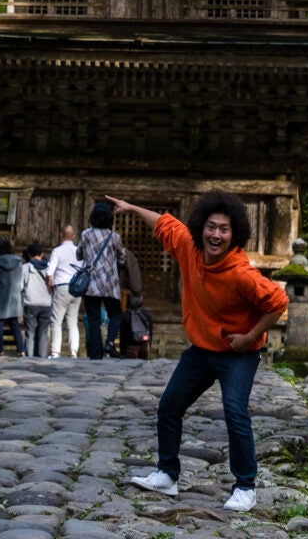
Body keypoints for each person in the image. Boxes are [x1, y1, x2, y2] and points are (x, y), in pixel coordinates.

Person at [107, 190, 289, 514]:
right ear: (201, 227)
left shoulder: (241, 273)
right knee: (169, 405)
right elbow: (164, 222)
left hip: (238, 354)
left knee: (235, 412)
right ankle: (167, 474)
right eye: (210, 226)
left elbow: (278, 303)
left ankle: (245, 487)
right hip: (202, 351)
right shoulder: (189, 247)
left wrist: (249, 338)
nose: (215, 234)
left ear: (234, 234)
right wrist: (131, 206)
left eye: (223, 229)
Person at [78, 200, 126, 360]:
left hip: (91, 283)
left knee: (93, 318)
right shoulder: (114, 237)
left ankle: (95, 353)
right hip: (110, 283)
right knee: (116, 314)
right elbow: (122, 258)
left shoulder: (86, 234)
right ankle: (110, 342)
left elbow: (79, 254)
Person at [0, 235, 26, 356]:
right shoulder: (18, 262)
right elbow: (20, 278)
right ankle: (21, 350)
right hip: (14, 295)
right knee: (14, 323)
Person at [47, 223, 82, 358]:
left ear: (61, 235)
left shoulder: (57, 251)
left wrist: (49, 286)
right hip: (76, 288)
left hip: (62, 286)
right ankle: (73, 351)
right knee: (72, 321)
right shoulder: (78, 251)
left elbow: (50, 272)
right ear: (73, 236)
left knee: (56, 320)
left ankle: (55, 351)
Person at [21, 241, 52, 358]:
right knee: (43, 332)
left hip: (31, 303)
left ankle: (29, 357)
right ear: (42, 254)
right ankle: (42, 356)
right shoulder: (49, 268)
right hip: (46, 303)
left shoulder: (25, 268)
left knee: (30, 332)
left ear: (29, 254)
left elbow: (20, 286)